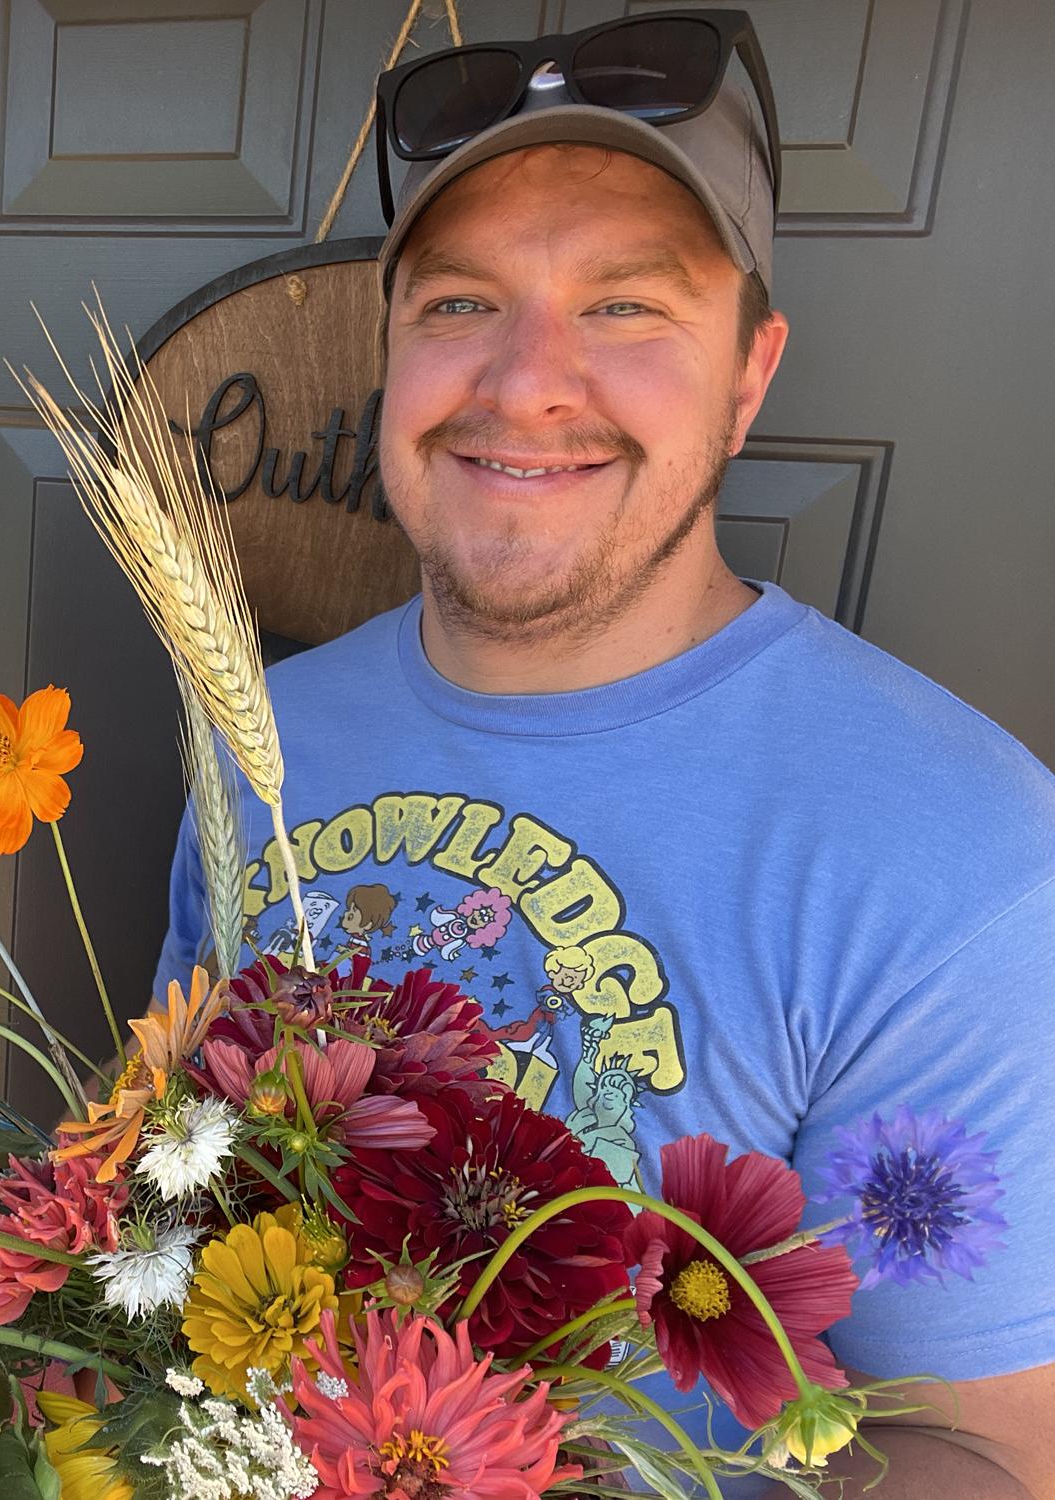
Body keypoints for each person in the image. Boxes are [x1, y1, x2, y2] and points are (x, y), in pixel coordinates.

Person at [156, 14, 1054, 1496]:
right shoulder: (260, 737)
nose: (526, 383)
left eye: (628, 307)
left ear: (751, 373)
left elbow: (987, 1458)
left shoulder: (960, 854)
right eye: (459, 304)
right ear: (390, 351)